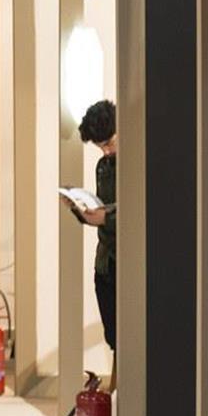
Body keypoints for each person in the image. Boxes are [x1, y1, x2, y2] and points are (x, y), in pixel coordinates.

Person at [77, 100, 117, 363]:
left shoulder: (137, 161)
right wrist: (82, 210)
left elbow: (139, 212)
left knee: (128, 340)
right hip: (105, 263)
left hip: (128, 261)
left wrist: (106, 217)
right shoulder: (103, 166)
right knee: (113, 338)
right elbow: (104, 207)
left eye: (109, 143)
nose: (106, 151)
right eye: (100, 147)